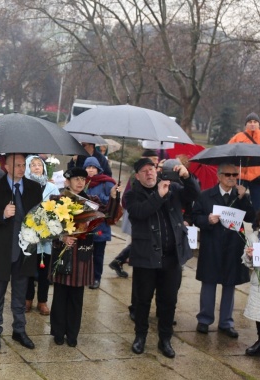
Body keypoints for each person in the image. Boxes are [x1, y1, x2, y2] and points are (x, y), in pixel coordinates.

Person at [126, 157, 199, 358]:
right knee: (143, 300)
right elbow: (141, 213)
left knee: (168, 301)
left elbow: (194, 195)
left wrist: (187, 177)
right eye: (144, 171)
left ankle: (165, 339)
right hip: (146, 257)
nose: (149, 173)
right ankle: (140, 336)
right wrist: (158, 195)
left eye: (152, 169)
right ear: (138, 176)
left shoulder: (173, 188)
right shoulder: (133, 196)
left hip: (171, 257)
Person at [50, 167, 119, 347]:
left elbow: (108, 216)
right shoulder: (57, 200)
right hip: (63, 251)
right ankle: (58, 331)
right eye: (76, 179)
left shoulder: (92, 201)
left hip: (82, 253)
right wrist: (62, 236)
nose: (80, 182)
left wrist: (113, 196)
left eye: (83, 179)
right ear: (68, 181)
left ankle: (72, 333)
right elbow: (47, 225)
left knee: (76, 297)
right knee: (60, 295)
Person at [0, 153, 42, 351]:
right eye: (17, 165)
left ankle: (19, 330)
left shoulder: (34, 188)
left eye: (24, 165)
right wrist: (2, 214)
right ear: (6, 166)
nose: (21, 169)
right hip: (1, 250)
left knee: (20, 293)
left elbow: (39, 216)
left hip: (24, 251)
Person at [192, 163, 254, 338]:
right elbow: (195, 217)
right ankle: (204, 319)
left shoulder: (240, 195)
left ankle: (226, 322)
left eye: (235, 175)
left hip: (233, 246)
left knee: (229, 284)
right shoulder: (205, 196)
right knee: (209, 282)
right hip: (212, 244)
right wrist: (207, 220)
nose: (232, 178)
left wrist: (244, 197)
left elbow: (250, 217)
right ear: (219, 176)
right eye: (228, 174)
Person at [109, 149, 160, 279]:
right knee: (135, 241)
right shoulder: (136, 177)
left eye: (156, 160)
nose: (156, 161)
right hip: (134, 210)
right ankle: (119, 260)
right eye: (153, 159)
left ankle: (119, 260)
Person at [24, 155, 59, 315]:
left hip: (46, 237)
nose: (37, 167)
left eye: (39, 164)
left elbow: (58, 209)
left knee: (44, 269)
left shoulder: (52, 188)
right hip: (29, 234)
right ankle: (28, 298)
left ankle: (43, 301)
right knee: (29, 268)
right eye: (33, 165)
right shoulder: (23, 185)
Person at [83, 156, 117, 290]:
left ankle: (96, 277)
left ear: (98, 169)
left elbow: (112, 201)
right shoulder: (82, 182)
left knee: (98, 253)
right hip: (85, 224)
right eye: (88, 167)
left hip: (100, 225)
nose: (90, 170)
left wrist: (100, 199)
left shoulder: (106, 183)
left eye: (93, 167)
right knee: (85, 253)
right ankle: (85, 276)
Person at [229, 112, 260, 211]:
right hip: (241, 175)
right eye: (250, 121)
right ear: (246, 124)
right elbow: (228, 151)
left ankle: (256, 225)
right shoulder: (238, 137)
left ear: (258, 124)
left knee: (258, 203)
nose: (252, 124)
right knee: (236, 200)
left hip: (257, 176)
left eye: (255, 122)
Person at [242, 228, 260, 356]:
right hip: (258, 281)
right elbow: (248, 263)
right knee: (258, 313)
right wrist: (248, 255)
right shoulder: (253, 237)